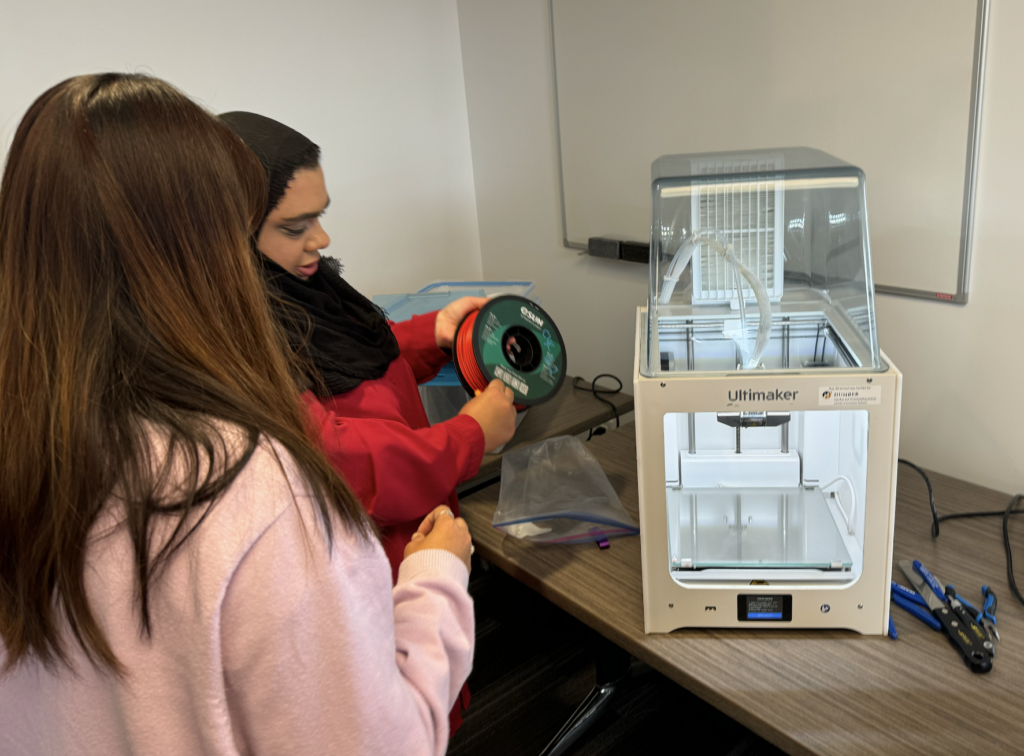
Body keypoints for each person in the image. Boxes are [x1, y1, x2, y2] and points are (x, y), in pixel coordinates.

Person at [0, 73, 473, 755]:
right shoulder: (259, 491)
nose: (315, 240)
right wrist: (435, 580)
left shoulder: (36, 434)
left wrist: (428, 333)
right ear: (211, 252)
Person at [218, 114, 517, 581]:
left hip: (424, 536)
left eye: (320, 216)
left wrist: (434, 333)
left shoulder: (305, 290)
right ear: (230, 235)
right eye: (295, 228)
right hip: (379, 577)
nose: (321, 238)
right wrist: (470, 436)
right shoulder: (241, 344)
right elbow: (344, 463)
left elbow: (354, 359)